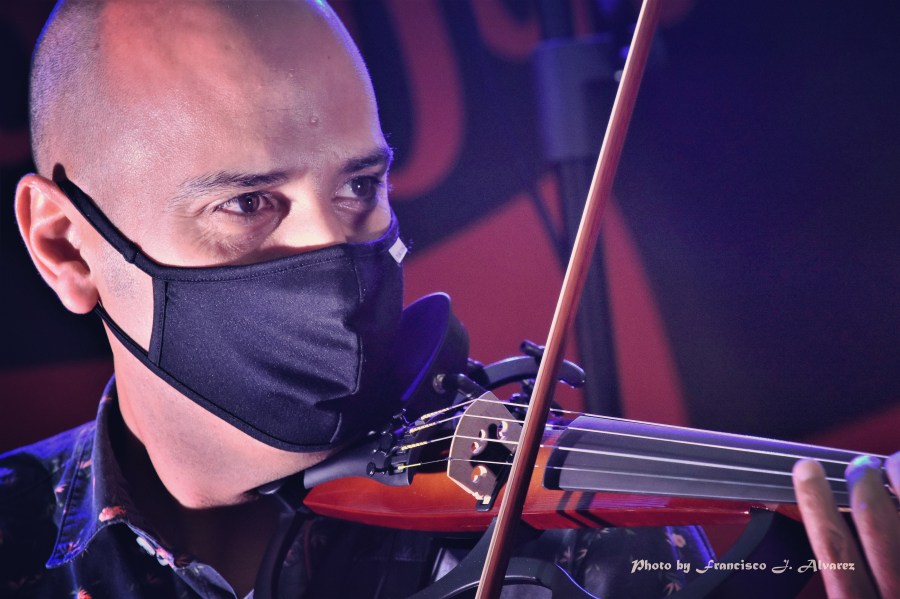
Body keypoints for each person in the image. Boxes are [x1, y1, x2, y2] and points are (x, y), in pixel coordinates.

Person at [1, 1, 896, 598]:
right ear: (64, 246)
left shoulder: (582, 551)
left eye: (360, 187)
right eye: (249, 204)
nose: (334, 251)